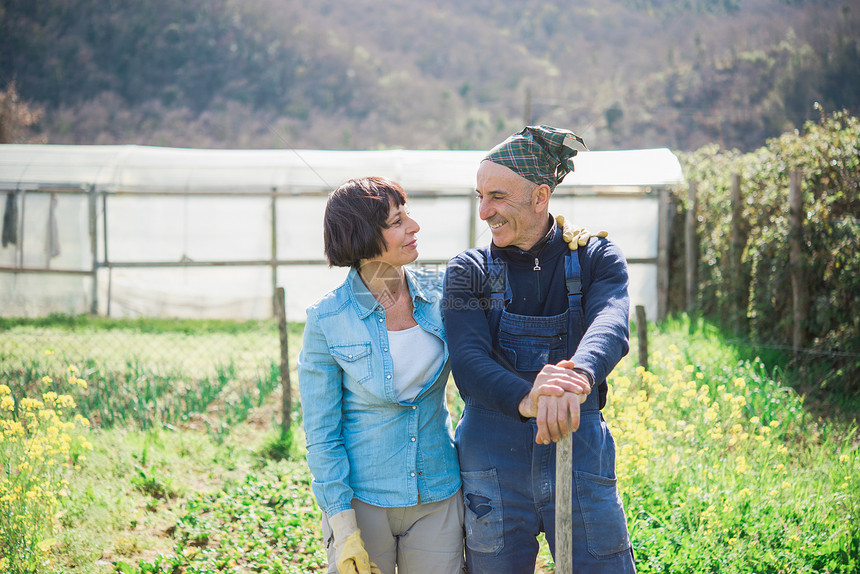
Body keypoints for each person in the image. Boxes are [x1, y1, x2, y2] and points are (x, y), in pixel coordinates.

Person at [442, 126, 636, 573]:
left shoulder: (595, 257)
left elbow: (611, 321)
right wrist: (532, 399)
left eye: (497, 197)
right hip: (493, 458)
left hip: (578, 445)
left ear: (540, 196)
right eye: (479, 197)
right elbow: (468, 362)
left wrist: (578, 378)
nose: (484, 211)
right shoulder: (469, 270)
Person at [298, 176, 464, 574]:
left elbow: (508, 283)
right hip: (363, 502)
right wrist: (343, 528)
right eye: (396, 222)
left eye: (408, 215)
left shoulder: (444, 294)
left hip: (438, 494)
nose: (414, 227)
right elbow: (322, 434)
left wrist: (555, 240)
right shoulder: (327, 319)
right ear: (362, 235)